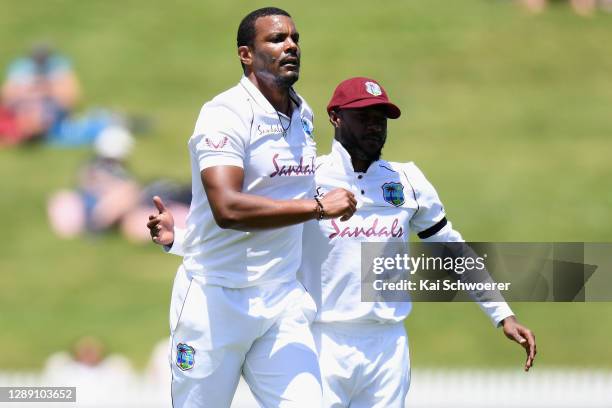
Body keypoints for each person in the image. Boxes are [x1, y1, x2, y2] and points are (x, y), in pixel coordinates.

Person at [150, 77, 537, 407]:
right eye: (364, 116)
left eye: (381, 118)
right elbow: (254, 239)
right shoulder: (307, 180)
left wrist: (501, 313)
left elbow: (451, 249)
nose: (375, 126)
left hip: (387, 343)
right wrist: (179, 240)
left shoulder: (408, 181)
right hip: (321, 337)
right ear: (335, 117)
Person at [148, 7, 356, 408]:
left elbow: (281, 193)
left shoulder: (304, 113)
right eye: (277, 39)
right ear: (246, 54)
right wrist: (317, 208)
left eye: (294, 37)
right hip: (214, 301)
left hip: (281, 301)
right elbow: (228, 208)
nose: (291, 45)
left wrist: (182, 237)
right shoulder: (223, 114)